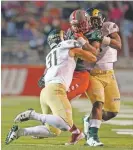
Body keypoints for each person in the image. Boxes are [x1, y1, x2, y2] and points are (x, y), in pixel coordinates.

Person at [5, 29, 97, 145]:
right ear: (61, 38)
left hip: (45, 92)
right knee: (66, 125)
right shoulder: (69, 48)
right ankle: (32, 114)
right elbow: (93, 58)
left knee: (53, 130)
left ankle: (19, 132)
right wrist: (83, 44)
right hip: (56, 89)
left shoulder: (50, 55)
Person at [83, 8, 121, 146]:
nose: (93, 23)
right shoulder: (83, 32)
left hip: (109, 74)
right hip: (92, 73)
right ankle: (92, 137)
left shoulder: (108, 27)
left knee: (112, 112)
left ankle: (89, 120)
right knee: (98, 103)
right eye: (90, 20)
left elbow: (118, 44)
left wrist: (102, 37)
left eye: (95, 20)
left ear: (101, 19)